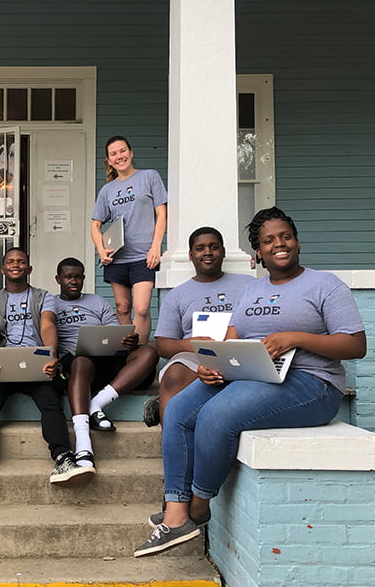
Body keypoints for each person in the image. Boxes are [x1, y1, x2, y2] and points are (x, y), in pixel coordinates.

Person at [134, 207, 366, 557]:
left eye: (285, 237)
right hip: (248, 373)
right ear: (258, 252)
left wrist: (295, 337)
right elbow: (231, 337)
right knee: (180, 407)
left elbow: (355, 345)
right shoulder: (250, 291)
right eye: (268, 240)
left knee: (217, 414)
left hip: (311, 383)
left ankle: (197, 506)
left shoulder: (324, 284)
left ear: (298, 242)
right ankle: (176, 510)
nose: (279, 244)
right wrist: (210, 365)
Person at [0, 247, 94, 487]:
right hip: (5, 363)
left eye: (21, 261)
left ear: (29, 269)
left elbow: (47, 325)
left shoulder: (43, 296)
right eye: (10, 261)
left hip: (38, 362)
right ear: (3, 269)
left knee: (50, 401)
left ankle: (63, 458)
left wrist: (51, 356)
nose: (16, 264)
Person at [54, 257, 158, 468]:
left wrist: (127, 340)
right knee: (81, 360)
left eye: (78, 277)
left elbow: (114, 331)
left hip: (106, 356)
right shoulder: (51, 303)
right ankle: (83, 441)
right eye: (68, 277)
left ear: (83, 278)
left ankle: (97, 403)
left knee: (148, 352)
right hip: (77, 364)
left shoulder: (97, 301)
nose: (74, 281)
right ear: (58, 279)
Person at [144, 227, 253, 426]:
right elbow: (163, 345)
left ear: (224, 251)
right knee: (174, 375)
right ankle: (171, 442)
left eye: (214, 247)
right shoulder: (178, 295)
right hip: (195, 355)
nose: (208, 252)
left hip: (241, 351)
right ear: (190, 255)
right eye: (200, 248)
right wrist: (191, 344)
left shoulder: (248, 284)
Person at [90, 136, 167, 345]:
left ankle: (141, 353)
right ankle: (127, 353)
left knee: (141, 309)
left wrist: (156, 246)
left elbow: (161, 213)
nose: (119, 156)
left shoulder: (149, 176)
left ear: (131, 153)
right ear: (109, 160)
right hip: (117, 257)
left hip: (144, 256)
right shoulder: (107, 190)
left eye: (122, 151)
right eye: (113, 154)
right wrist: (101, 249)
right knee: (122, 308)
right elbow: (95, 225)